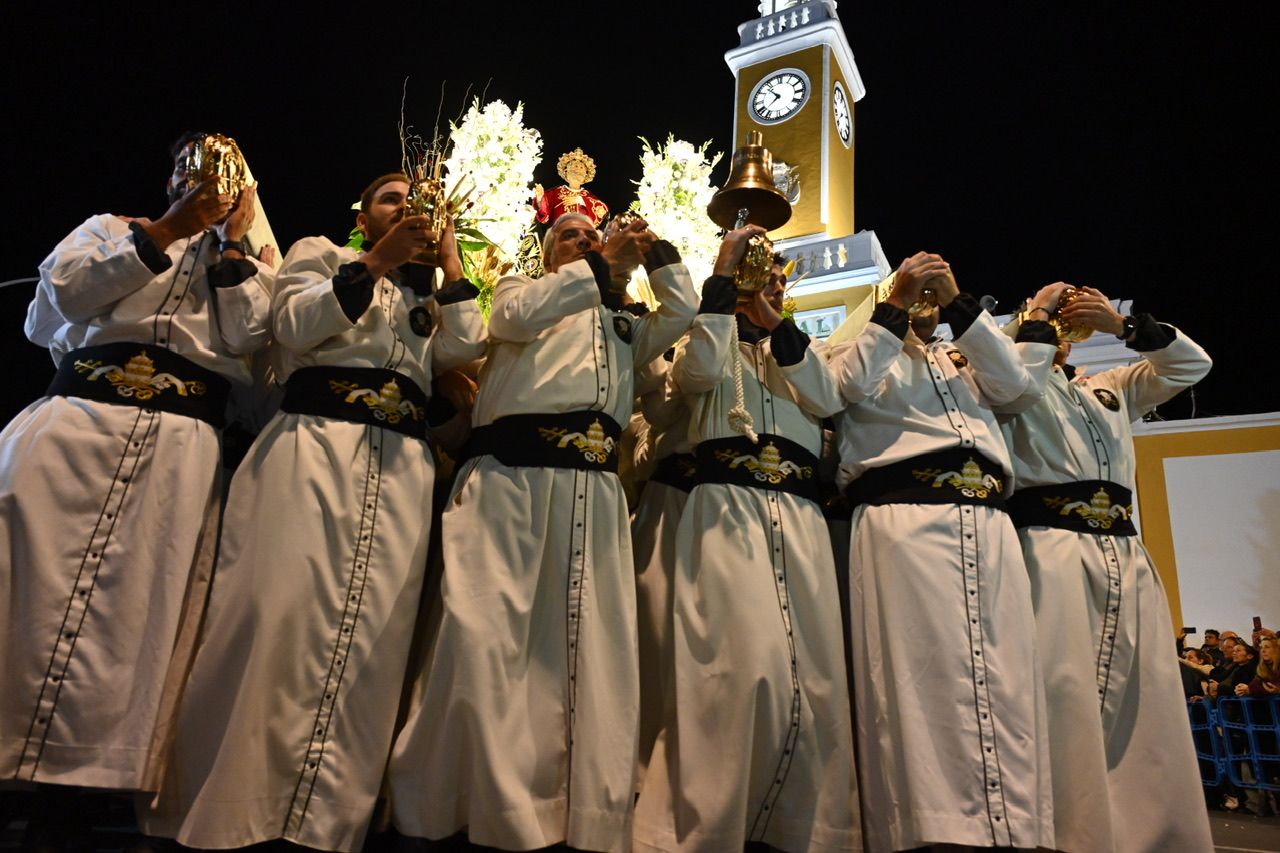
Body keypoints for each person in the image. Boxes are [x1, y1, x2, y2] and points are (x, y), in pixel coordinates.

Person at [137, 173, 485, 851]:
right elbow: (292, 325)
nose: (408, 206)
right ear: (362, 214)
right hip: (314, 449)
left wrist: (448, 263)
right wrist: (376, 261)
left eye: (419, 201)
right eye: (392, 197)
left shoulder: (427, 301)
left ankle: (325, 823)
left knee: (371, 642)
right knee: (275, 618)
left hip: (399, 473)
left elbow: (464, 350)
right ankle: (225, 810)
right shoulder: (321, 252)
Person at [389, 212, 697, 851]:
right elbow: (510, 323)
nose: (585, 242)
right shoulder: (517, 292)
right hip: (510, 481)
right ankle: (450, 805)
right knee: (483, 635)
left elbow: (683, 310)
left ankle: (570, 812)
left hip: (591, 490)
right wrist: (601, 262)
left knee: (583, 650)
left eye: (593, 235)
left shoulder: (624, 322)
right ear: (547, 251)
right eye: (571, 236)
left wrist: (656, 250)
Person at [0, 132, 273, 800]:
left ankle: (98, 787)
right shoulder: (108, 229)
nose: (203, 179)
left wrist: (232, 250)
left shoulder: (257, 262)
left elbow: (255, 350)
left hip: (177, 449)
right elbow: (52, 306)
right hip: (72, 428)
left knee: (141, 607)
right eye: (191, 168)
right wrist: (168, 231)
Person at [824, 252, 1057, 852]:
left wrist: (959, 304)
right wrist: (894, 305)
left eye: (931, 296)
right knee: (920, 677)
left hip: (989, 520)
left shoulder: (961, 359)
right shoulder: (853, 351)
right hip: (907, 518)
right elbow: (840, 391)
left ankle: (1011, 824)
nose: (925, 302)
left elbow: (1017, 389)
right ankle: (925, 828)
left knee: (1002, 677)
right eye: (917, 293)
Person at [633, 248, 861, 852]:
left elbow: (829, 400)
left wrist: (777, 326)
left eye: (783, 284)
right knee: (737, 665)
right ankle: (703, 825)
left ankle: (798, 826)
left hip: (800, 519)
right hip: (727, 508)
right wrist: (723, 287)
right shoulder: (709, 341)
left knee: (811, 678)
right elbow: (699, 376)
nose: (776, 290)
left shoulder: (797, 356)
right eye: (765, 283)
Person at [997, 283, 1215, 851]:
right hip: (1050, 546)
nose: (1061, 336)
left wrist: (1123, 330)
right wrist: (1033, 318)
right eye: (1047, 326)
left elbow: (1192, 364)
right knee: (1063, 693)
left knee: (1146, 696)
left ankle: (1152, 832)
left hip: (1124, 548)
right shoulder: (1005, 389)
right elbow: (994, 363)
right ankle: (1064, 831)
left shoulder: (1109, 388)